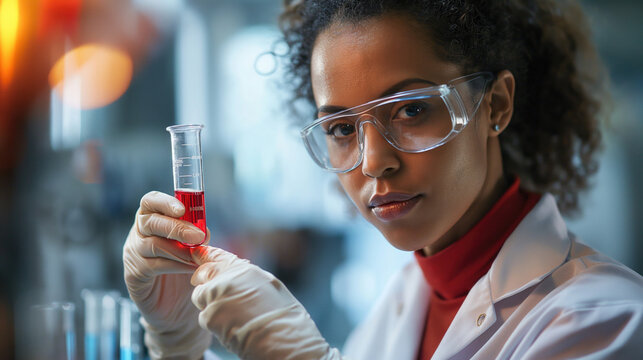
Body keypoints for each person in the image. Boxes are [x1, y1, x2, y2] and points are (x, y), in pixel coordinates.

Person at [123, 0, 643, 359]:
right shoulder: (407, 297)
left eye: (412, 110)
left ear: (495, 106)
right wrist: (179, 341)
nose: (373, 162)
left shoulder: (603, 321)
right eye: (342, 128)